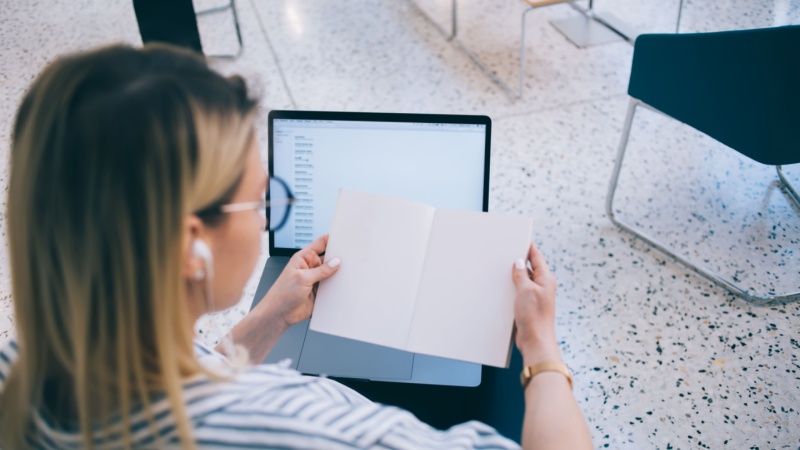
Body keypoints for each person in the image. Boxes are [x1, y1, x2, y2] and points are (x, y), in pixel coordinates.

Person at [0, 43, 593, 449]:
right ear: (190, 246)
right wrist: (541, 347)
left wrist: (271, 317)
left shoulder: (24, 365)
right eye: (260, 202)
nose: (266, 223)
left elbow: (192, 381)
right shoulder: (319, 431)